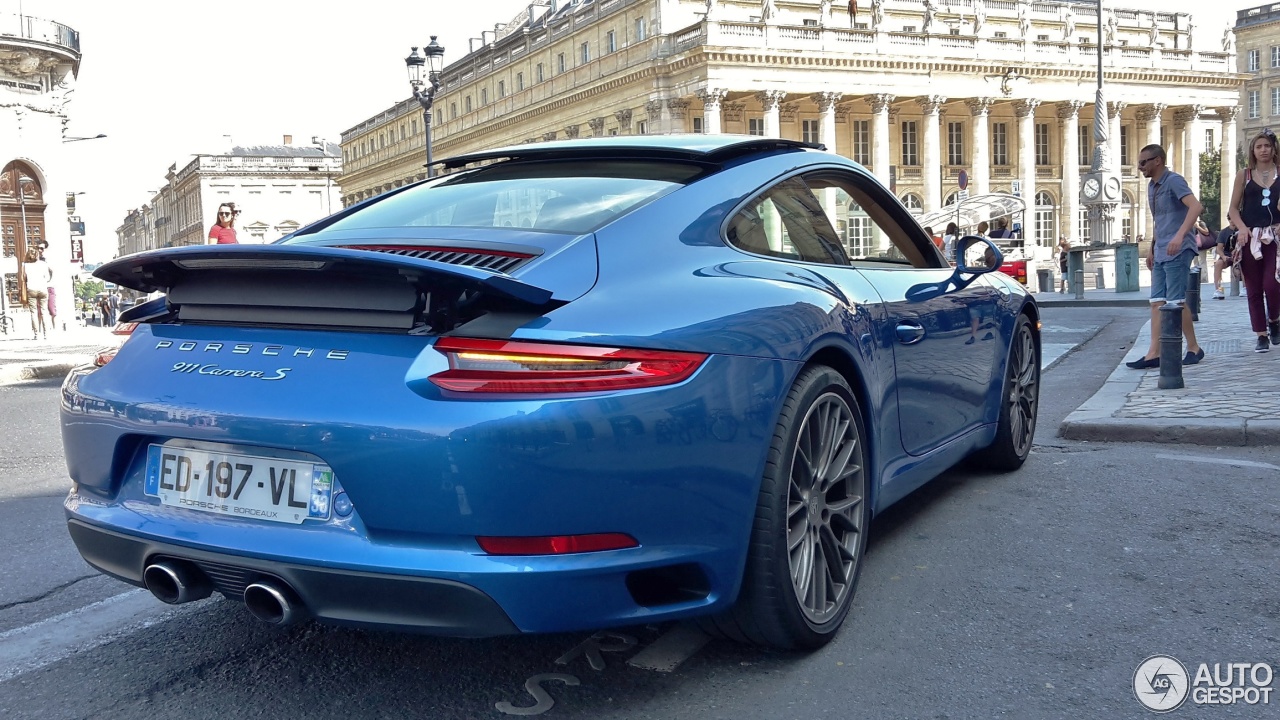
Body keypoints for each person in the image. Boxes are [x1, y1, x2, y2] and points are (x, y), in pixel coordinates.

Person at [1127, 143, 1205, 368]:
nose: (1140, 167)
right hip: (1161, 249)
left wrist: (1179, 236)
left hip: (1178, 249)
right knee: (1156, 302)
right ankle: (1154, 353)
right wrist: (1152, 247)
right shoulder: (1152, 187)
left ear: (1157, 161)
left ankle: (1193, 348)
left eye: (1143, 162)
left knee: (1175, 302)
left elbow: (1195, 207)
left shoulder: (1174, 181)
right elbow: (1159, 220)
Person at [1225, 129, 1280, 352]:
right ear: (1253, 151)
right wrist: (1242, 228)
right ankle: (1261, 334)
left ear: (1274, 149)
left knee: (1272, 283)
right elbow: (1233, 208)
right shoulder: (1244, 175)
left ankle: (1274, 319)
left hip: (1275, 237)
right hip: (1250, 237)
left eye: (1267, 146)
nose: (1263, 150)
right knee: (1254, 289)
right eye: (1259, 147)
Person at [24, 252, 52, 339]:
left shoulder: (25, 265)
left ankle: (36, 334)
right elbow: (47, 278)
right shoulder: (44, 264)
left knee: (33, 312)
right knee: (44, 311)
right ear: (37, 255)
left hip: (31, 289)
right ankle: (46, 334)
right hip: (43, 289)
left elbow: (24, 278)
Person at [1211, 226, 1238, 300]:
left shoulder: (1242, 229)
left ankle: (1245, 288)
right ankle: (1218, 289)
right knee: (1218, 264)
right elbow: (1219, 248)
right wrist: (1223, 256)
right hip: (1227, 254)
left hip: (1240, 254)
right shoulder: (1223, 232)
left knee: (1244, 263)